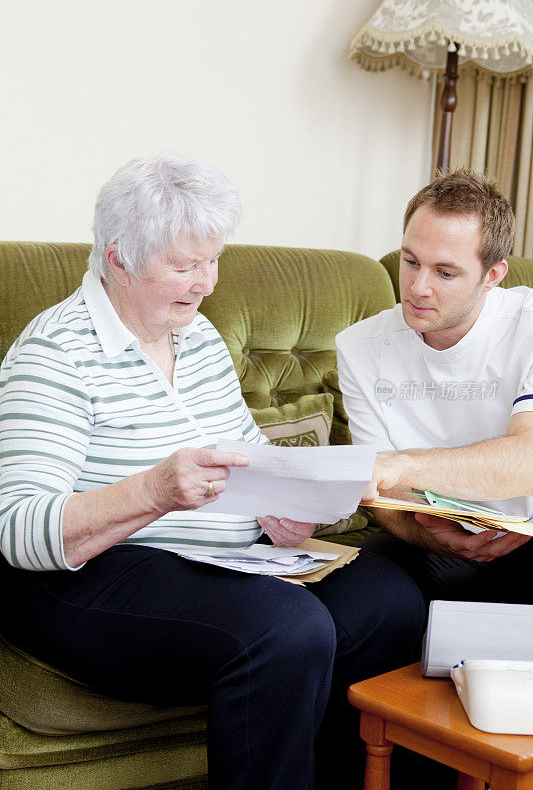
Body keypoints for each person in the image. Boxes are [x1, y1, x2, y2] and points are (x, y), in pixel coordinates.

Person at [0, 153, 424, 790]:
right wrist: (153, 490)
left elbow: (246, 449)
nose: (206, 283)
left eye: (213, 260)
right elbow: (19, 530)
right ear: (118, 259)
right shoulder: (55, 353)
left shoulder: (195, 337)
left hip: (219, 564)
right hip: (94, 574)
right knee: (285, 629)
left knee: (388, 601)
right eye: (184, 265)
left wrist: (281, 506)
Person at [337, 168, 533, 605]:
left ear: (492, 275)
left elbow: (528, 460)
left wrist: (401, 465)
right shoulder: (359, 347)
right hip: (437, 540)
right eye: (411, 262)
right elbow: (382, 494)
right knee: (350, 601)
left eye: (445, 272)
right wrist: (437, 539)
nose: (417, 287)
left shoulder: (528, 327)